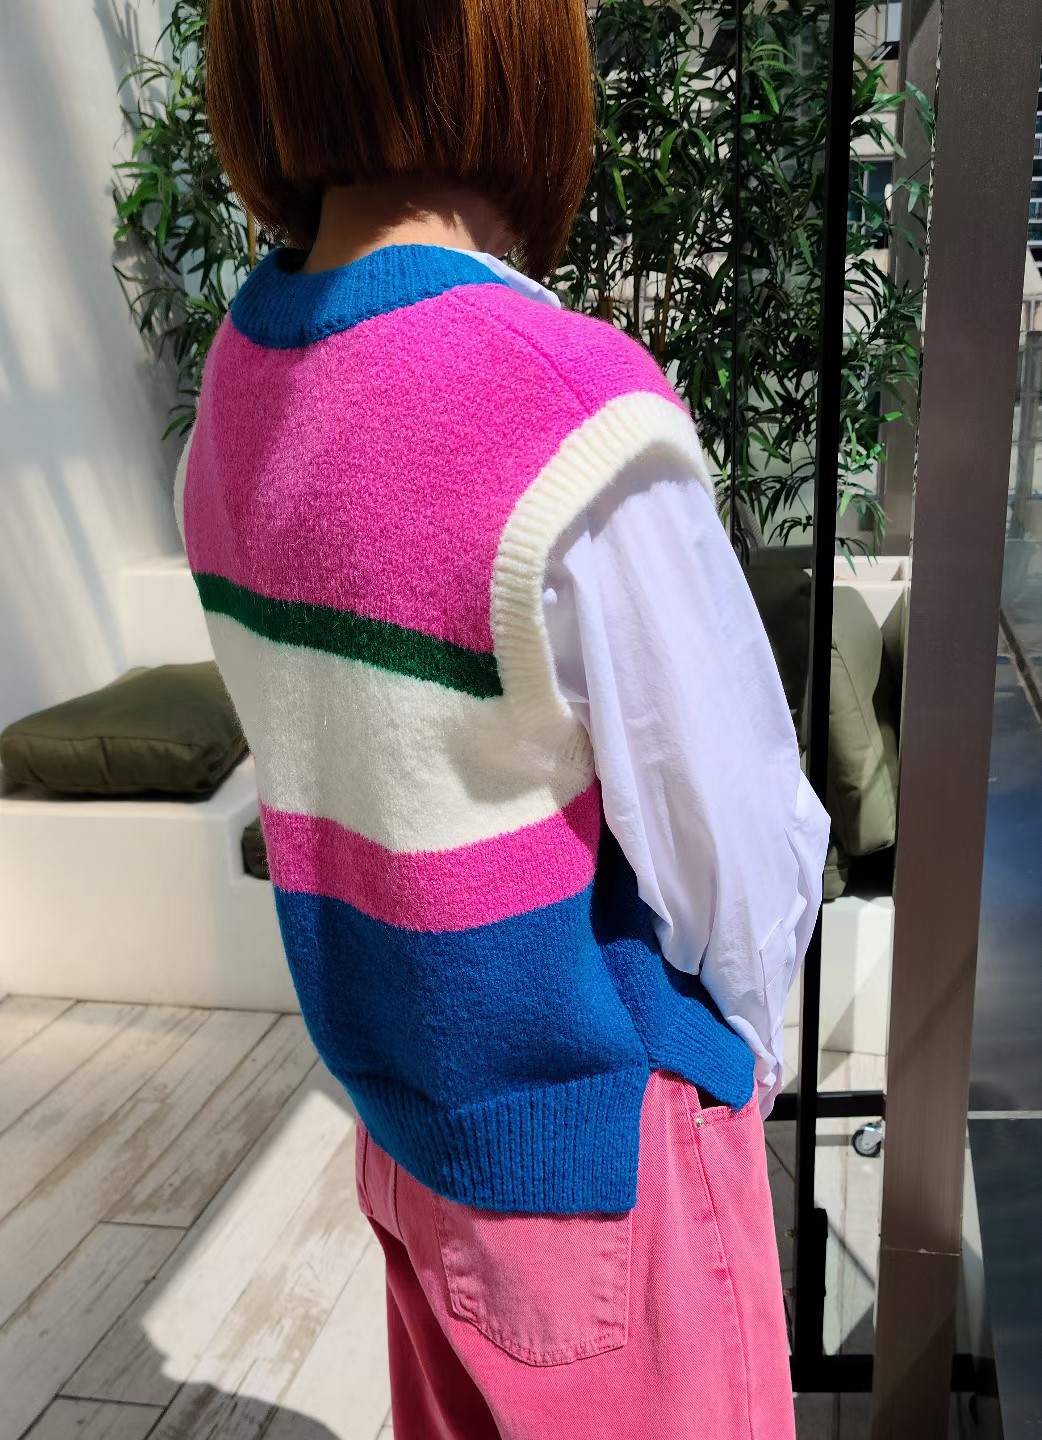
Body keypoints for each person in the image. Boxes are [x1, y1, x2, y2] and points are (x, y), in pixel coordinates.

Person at [180, 3, 831, 1436]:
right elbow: (734, 836)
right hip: (601, 1156)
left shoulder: (237, 388)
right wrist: (741, 1062)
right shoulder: (561, 398)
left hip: (415, 1136)